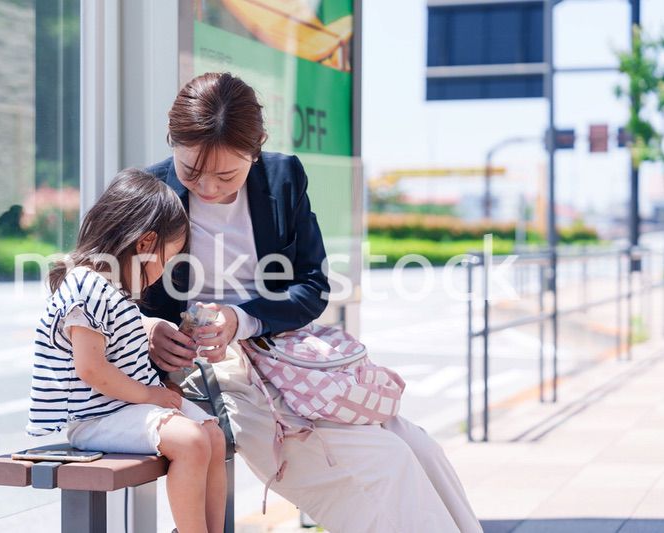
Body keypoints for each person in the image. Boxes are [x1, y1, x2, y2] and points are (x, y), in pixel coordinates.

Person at [142, 72, 483, 533]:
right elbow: (97, 284)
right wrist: (149, 329)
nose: (207, 188)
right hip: (208, 372)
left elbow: (311, 285)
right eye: (190, 170)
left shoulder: (282, 178)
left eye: (226, 174)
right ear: (172, 141)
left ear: (256, 149)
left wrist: (241, 319)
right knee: (382, 462)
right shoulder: (147, 191)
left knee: (417, 446)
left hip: (281, 353)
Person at [25, 169, 226, 533]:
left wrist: (162, 389)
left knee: (212, 434)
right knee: (194, 440)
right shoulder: (86, 287)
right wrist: (150, 394)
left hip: (123, 410)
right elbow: (92, 370)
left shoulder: (111, 291)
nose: (165, 271)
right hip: (95, 419)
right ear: (145, 243)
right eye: (168, 257)